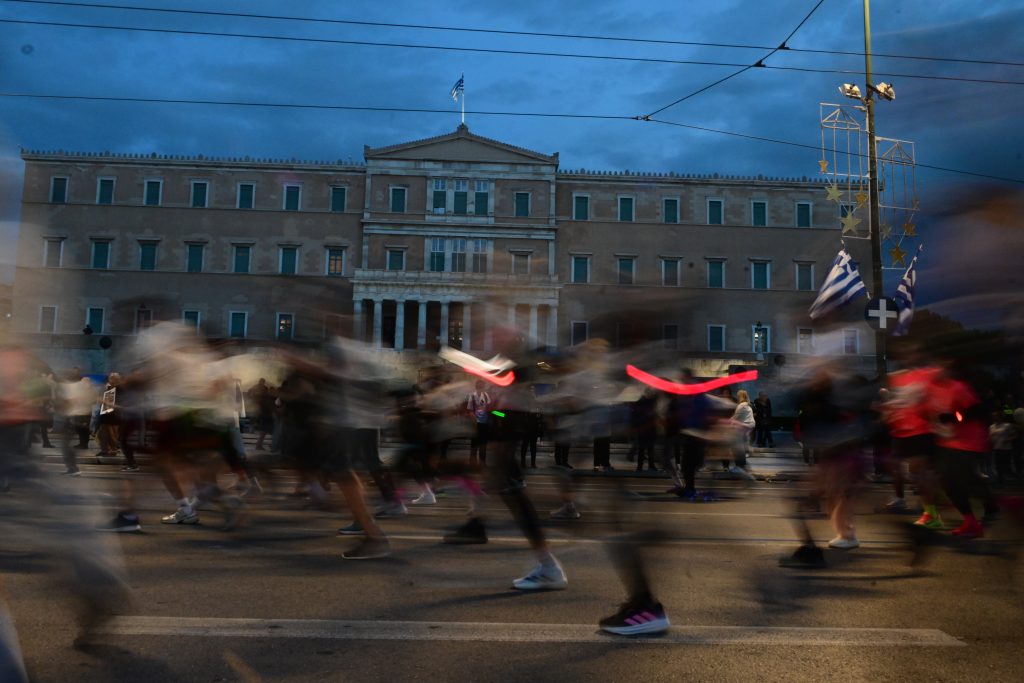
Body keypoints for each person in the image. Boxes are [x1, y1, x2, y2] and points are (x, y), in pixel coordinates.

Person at [466, 381, 491, 467]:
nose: (481, 388)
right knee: (474, 445)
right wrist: (474, 421)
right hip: (476, 424)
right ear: (476, 386)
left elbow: (490, 408)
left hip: (484, 423)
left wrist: (500, 414)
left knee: (483, 445)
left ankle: (482, 463)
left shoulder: (486, 395)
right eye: (480, 386)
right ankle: (472, 463)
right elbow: (470, 410)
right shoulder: (472, 396)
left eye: (482, 386)